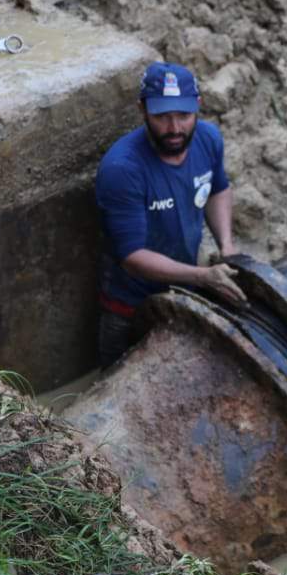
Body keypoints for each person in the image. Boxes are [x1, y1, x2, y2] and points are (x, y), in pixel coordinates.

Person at [94, 61, 248, 368]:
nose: (175, 128)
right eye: (162, 117)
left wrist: (227, 246)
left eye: (184, 115)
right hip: (130, 308)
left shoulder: (208, 139)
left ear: (198, 105)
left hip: (183, 292)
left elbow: (217, 189)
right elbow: (133, 257)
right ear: (142, 109)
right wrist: (203, 276)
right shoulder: (122, 169)